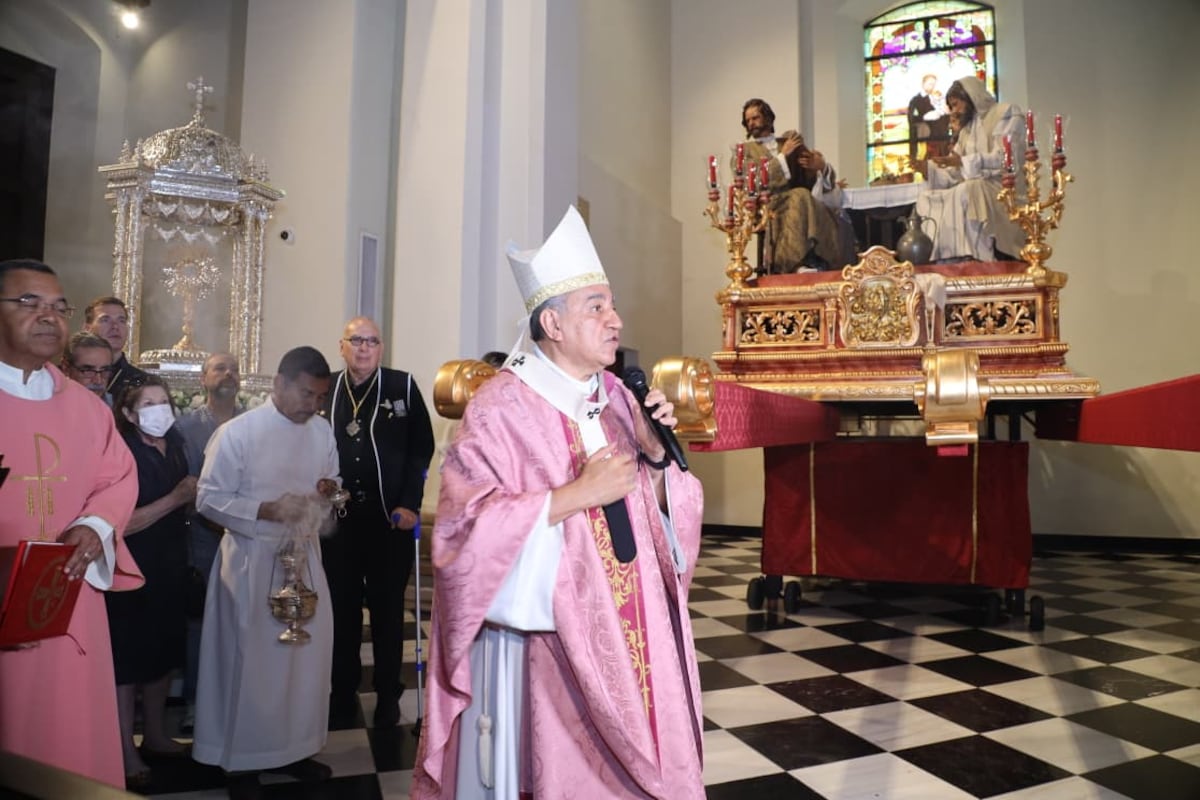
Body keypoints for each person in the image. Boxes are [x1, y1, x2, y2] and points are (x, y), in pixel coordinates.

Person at [412, 207, 706, 798]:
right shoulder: (500, 409)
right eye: (596, 307)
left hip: (637, 628)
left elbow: (658, 519)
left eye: (612, 304)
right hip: (552, 647)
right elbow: (462, 532)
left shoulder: (621, 397)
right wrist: (574, 497)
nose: (615, 320)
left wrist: (655, 460)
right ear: (553, 322)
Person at [0, 259, 143, 788]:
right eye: (28, 303)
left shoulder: (87, 409)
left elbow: (119, 477)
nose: (47, 316)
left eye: (58, 307)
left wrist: (95, 525)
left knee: (70, 736)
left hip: (69, 597)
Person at [192, 345, 341, 800]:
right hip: (252, 560)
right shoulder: (239, 433)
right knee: (251, 662)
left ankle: (294, 748)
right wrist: (265, 509)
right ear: (278, 384)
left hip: (304, 560)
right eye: (304, 393)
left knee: (305, 662)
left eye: (319, 397)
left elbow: (330, 487)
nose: (312, 405)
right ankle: (241, 759)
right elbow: (208, 498)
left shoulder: (322, 432)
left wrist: (329, 496)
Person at [321, 317, 435, 729]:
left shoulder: (401, 386)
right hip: (338, 522)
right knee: (342, 611)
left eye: (372, 341)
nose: (364, 348)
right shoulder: (327, 388)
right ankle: (342, 691)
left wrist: (410, 503)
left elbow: (421, 448)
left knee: (388, 613)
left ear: (381, 347)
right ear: (342, 346)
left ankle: (389, 694)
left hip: (389, 521)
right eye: (356, 340)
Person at [108, 375, 195, 789]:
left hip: (171, 566)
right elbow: (122, 522)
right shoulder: (123, 452)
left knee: (161, 656)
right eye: (148, 403)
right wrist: (176, 499)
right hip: (133, 568)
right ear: (128, 413)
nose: (160, 410)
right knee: (129, 664)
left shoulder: (175, 444)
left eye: (164, 401)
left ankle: (157, 735)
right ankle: (125, 749)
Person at [175, 351, 243, 733]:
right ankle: (194, 703)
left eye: (234, 369)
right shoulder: (187, 427)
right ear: (204, 379)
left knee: (238, 617)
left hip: (243, 536)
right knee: (199, 622)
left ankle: (235, 697)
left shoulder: (250, 425)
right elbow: (186, 485)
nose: (228, 374)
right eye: (220, 368)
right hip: (201, 536)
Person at [910, 76, 1025, 262]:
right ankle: (944, 258)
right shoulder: (967, 130)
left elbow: (1006, 159)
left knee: (968, 189)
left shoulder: (1005, 112)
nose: (954, 111)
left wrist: (962, 162)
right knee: (926, 198)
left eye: (956, 104)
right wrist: (928, 169)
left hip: (1003, 190)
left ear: (970, 96)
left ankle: (976, 255)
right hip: (976, 187)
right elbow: (953, 173)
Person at [738, 97, 847, 272]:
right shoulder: (744, 152)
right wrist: (782, 157)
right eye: (748, 120)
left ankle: (820, 258)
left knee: (821, 206)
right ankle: (796, 262)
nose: (751, 123)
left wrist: (819, 168)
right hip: (768, 204)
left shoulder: (788, 142)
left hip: (799, 197)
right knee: (800, 196)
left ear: (768, 118)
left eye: (756, 117)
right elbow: (755, 181)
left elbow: (812, 182)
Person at [83, 296, 149, 400]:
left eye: (121, 321)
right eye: (105, 320)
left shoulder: (143, 383)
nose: (115, 326)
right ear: (87, 329)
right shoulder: (71, 375)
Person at [61, 330, 114, 401]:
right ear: (66, 368)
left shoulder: (117, 407)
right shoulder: (47, 405)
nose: (98, 381)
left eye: (105, 371)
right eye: (89, 371)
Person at [907, 73, 951, 160]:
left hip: (943, 133)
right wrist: (924, 117)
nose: (932, 86)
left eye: (934, 84)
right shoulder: (915, 100)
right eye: (930, 84)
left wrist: (946, 113)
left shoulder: (938, 97)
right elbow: (911, 118)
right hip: (928, 134)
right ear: (923, 84)